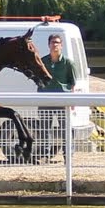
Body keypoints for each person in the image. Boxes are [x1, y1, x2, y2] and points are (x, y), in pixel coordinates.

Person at [37, 33, 77, 161]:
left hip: (62, 100)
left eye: (57, 42)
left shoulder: (68, 63)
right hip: (45, 99)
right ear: (48, 45)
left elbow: (72, 83)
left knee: (65, 129)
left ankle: (68, 155)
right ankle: (46, 155)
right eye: (53, 42)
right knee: (44, 129)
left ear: (61, 45)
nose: (55, 45)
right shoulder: (43, 61)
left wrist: (72, 101)